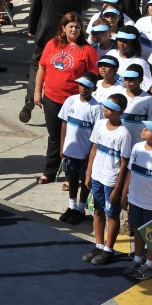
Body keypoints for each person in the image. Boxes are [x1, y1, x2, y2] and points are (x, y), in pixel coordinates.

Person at [21, 0, 90, 124]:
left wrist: (32, 27)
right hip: (69, 34)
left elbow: (35, 7)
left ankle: (30, 97)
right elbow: (86, 5)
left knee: (38, 64)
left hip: (45, 31)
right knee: (66, 65)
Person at [34, 12, 98, 185]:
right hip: (51, 98)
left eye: (78, 27)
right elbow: (41, 68)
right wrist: (37, 91)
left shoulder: (88, 50)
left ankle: (71, 177)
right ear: (63, 27)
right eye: (71, 26)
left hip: (74, 101)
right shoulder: (52, 44)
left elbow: (93, 77)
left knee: (73, 137)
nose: (74, 29)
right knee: (54, 136)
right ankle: (50, 171)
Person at [83, 93, 130, 266]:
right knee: (97, 211)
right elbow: (94, 149)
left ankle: (109, 250)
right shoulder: (100, 124)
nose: (106, 110)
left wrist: (118, 188)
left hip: (111, 181)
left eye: (110, 108)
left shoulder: (124, 134)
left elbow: (124, 163)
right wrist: (88, 173)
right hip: (97, 177)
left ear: (121, 112)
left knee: (112, 214)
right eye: (105, 106)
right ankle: (99, 245)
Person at [58, 71, 102, 225]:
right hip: (70, 150)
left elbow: (97, 134)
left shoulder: (97, 108)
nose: (83, 88)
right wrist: (62, 146)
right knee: (72, 178)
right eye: (82, 84)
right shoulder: (70, 101)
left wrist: (90, 155)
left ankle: (80, 208)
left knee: (85, 181)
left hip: (85, 153)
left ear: (94, 88)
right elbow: (64, 124)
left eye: (87, 86)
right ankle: (71, 206)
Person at [121, 120, 152, 282]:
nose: (144, 130)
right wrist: (125, 193)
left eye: (148, 129)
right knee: (138, 231)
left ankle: (149, 264)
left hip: (150, 204)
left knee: (151, 236)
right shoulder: (137, 147)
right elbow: (130, 172)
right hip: (135, 199)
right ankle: (138, 259)